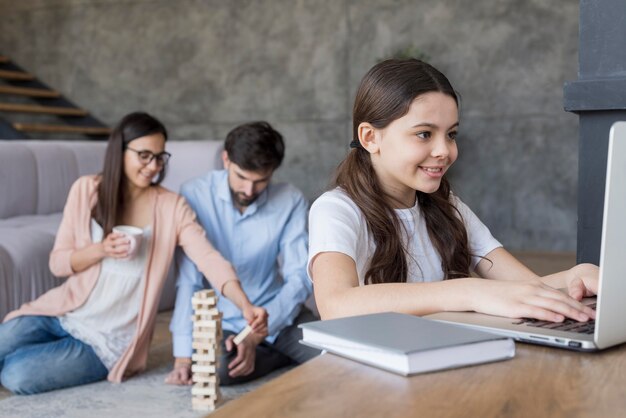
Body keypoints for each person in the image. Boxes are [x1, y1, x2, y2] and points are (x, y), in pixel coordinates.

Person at [308, 58, 599, 323]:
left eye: (451, 134)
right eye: (424, 134)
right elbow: (336, 304)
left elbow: (524, 288)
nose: (444, 151)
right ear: (370, 137)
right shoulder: (337, 209)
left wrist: (575, 276)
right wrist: (469, 291)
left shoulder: (446, 206)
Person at [0, 112, 267, 395]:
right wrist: (100, 250)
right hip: (64, 312)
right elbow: (58, 263)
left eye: (159, 157)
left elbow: (209, 259)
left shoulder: (172, 207)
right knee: (5, 341)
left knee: (17, 374)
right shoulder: (87, 190)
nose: (153, 166)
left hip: (109, 339)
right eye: (144, 155)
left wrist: (244, 304)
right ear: (120, 151)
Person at [166, 121, 319, 386]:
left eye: (261, 181)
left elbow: (299, 276)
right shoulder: (194, 193)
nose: (249, 191)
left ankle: (264, 349)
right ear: (226, 160)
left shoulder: (290, 199)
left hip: (278, 312)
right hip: (223, 318)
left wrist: (257, 333)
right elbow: (189, 277)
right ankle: (278, 354)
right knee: (217, 372)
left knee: (336, 357)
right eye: (242, 178)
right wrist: (182, 356)